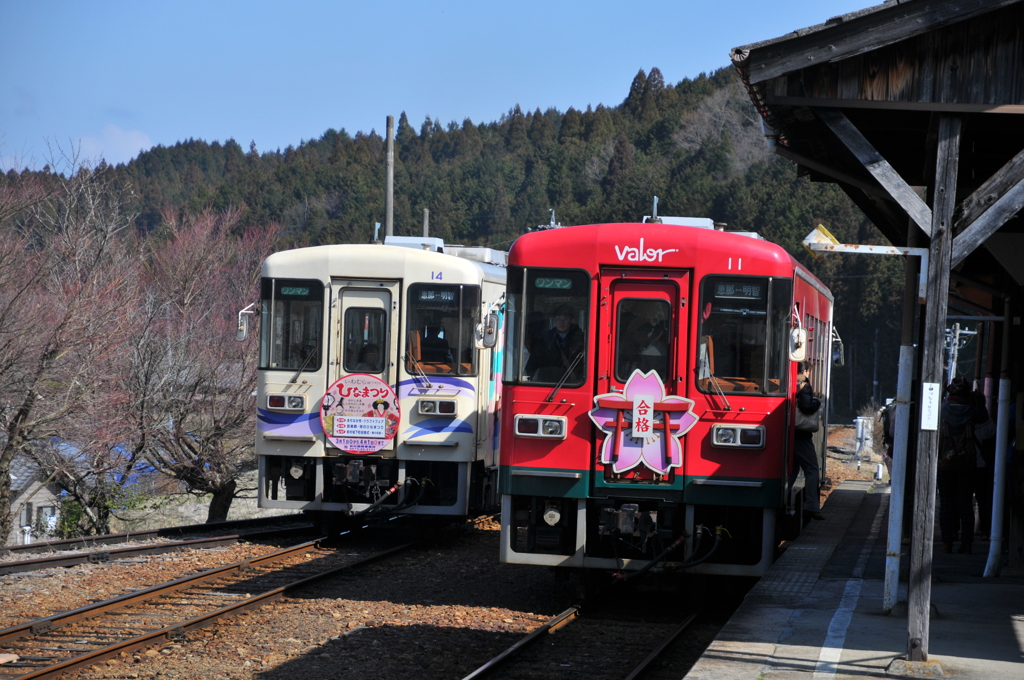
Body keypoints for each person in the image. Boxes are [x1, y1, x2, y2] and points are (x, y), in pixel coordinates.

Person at [937, 377, 987, 554]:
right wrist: (977, 398)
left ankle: (947, 542)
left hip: (945, 462)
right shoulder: (972, 412)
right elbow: (984, 416)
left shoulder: (941, 410)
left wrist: (941, 393)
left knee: (946, 504)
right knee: (965, 503)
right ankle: (966, 543)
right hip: (967, 463)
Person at [791, 361, 824, 520]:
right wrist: (816, 402)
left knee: (793, 469)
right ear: (804, 372)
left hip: (791, 434)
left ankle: (783, 494)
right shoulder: (804, 386)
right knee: (812, 470)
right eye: (808, 372)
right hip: (802, 436)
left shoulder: (789, 383)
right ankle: (811, 506)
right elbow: (806, 407)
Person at [525, 304, 585, 382]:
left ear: (571, 321)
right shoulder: (546, 338)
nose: (561, 322)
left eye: (565, 319)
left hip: (573, 383)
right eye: (558, 318)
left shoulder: (581, 338)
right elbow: (535, 360)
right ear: (554, 320)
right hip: (549, 381)